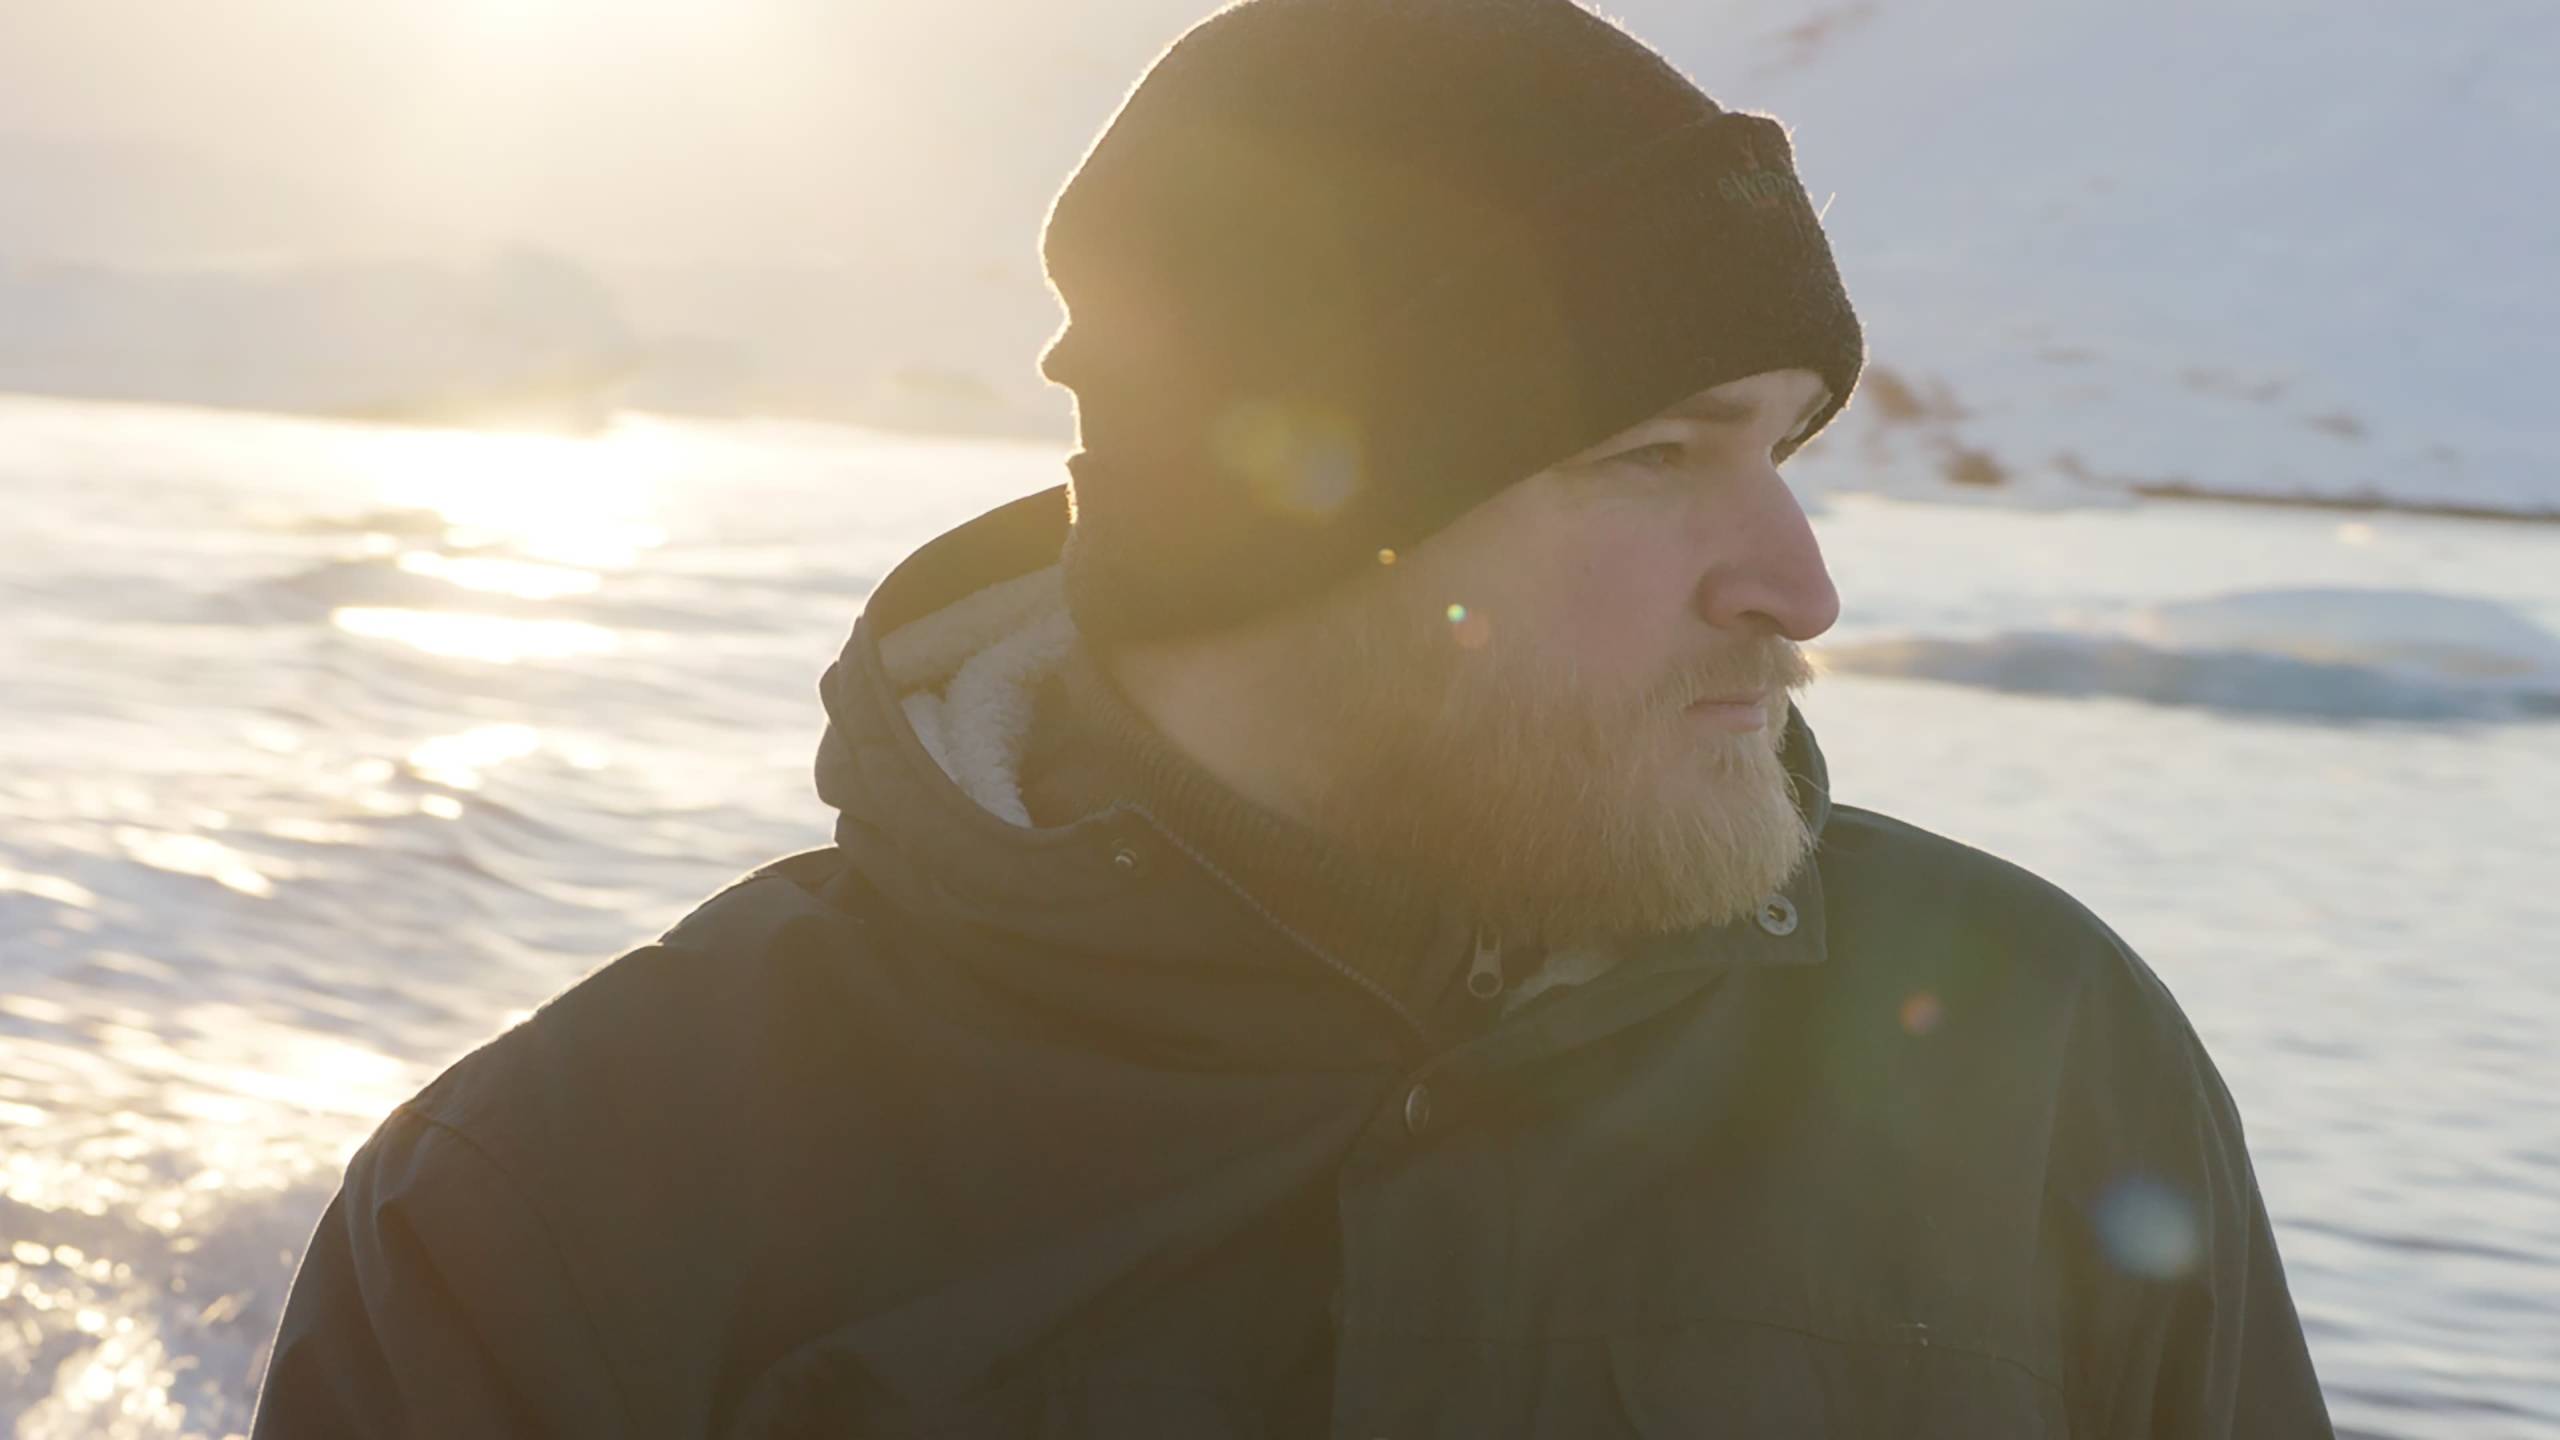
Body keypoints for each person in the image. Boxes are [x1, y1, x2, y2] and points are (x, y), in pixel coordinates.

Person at [250, 1, 2336, 1435]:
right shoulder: (573, 1199)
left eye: (1783, 447)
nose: (1796, 581)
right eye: (1648, 456)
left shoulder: (2033, 1050)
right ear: (1299, 524)